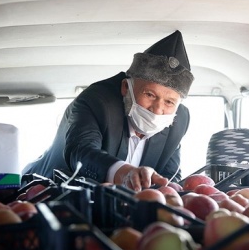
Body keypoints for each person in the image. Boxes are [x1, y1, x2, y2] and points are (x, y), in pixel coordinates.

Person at [23, 31, 194, 191]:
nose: (157, 109)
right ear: (126, 87)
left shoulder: (180, 120)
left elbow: (168, 176)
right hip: (44, 193)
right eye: (149, 94)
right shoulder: (97, 101)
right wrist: (123, 172)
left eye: (170, 102)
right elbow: (81, 151)